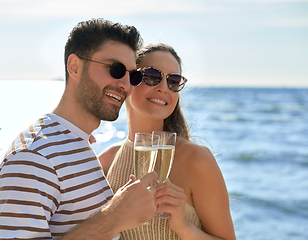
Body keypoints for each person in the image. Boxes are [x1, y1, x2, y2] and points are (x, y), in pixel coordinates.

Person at [0, 18, 158, 240]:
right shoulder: (32, 157)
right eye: (116, 69)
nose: (126, 85)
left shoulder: (77, 141)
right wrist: (114, 217)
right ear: (75, 67)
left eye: (133, 76)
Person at [98, 43, 236, 240]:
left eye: (173, 81)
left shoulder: (197, 160)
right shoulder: (106, 161)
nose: (163, 88)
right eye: (152, 76)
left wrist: (184, 227)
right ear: (130, 80)